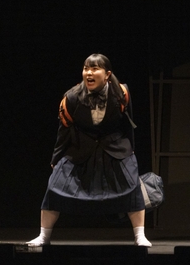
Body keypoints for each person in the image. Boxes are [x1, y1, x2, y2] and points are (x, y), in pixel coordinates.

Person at [27, 54, 151, 247]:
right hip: (81, 148)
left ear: (107, 74)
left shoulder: (121, 92)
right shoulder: (71, 97)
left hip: (114, 146)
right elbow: (64, 130)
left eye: (95, 69)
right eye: (86, 69)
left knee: (133, 188)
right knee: (53, 187)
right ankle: (43, 236)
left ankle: (140, 236)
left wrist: (130, 150)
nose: (89, 73)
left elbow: (128, 123)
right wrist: (55, 159)